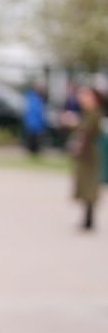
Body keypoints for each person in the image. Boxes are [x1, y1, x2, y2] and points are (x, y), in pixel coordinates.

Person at [70, 84, 104, 230]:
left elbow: (88, 131)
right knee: (85, 186)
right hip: (85, 154)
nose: (82, 98)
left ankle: (89, 220)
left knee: (89, 186)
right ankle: (87, 219)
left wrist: (74, 123)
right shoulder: (87, 112)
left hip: (90, 154)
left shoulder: (95, 113)